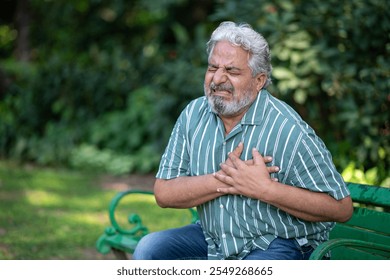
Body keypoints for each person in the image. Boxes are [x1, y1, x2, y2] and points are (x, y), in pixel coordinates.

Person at [133, 21, 353, 260]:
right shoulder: (193, 115)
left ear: (259, 81)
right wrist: (227, 179)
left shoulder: (288, 130)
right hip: (214, 238)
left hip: (280, 243)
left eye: (232, 71)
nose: (217, 78)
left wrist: (265, 189)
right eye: (212, 68)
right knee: (149, 250)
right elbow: (164, 193)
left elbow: (341, 207)